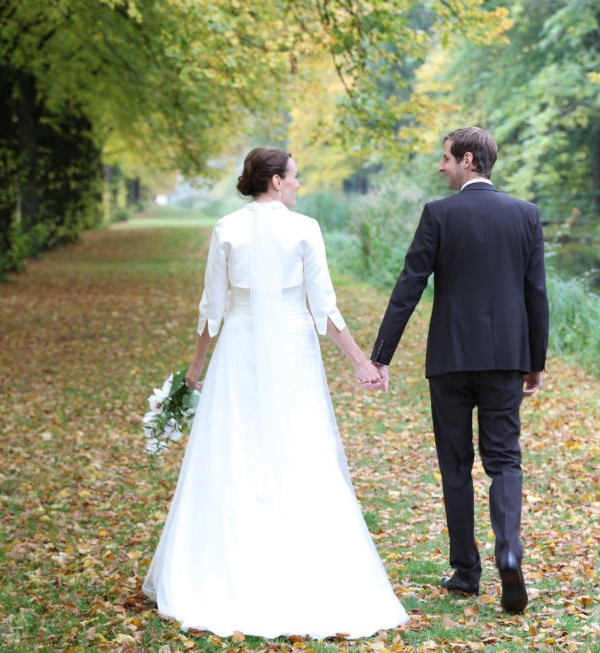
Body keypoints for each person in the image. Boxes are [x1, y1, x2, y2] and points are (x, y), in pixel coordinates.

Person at [143, 147, 409, 639]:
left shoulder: (227, 228)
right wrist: (360, 362)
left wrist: (197, 368)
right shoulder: (305, 229)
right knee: (299, 443)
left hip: (238, 348)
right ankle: (305, 565)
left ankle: (225, 568)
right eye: (295, 176)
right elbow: (324, 309)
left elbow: (212, 310)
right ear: (276, 181)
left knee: (236, 446)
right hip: (292, 348)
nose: (299, 184)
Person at [370, 127, 549, 614]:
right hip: (506, 358)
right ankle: (508, 550)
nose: (441, 166)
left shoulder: (439, 214)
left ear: (468, 160)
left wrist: (382, 354)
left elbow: (409, 285)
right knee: (504, 459)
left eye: (445, 158)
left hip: (449, 358)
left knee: (455, 464)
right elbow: (536, 293)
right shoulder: (526, 214)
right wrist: (535, 361)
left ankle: (467, 571)